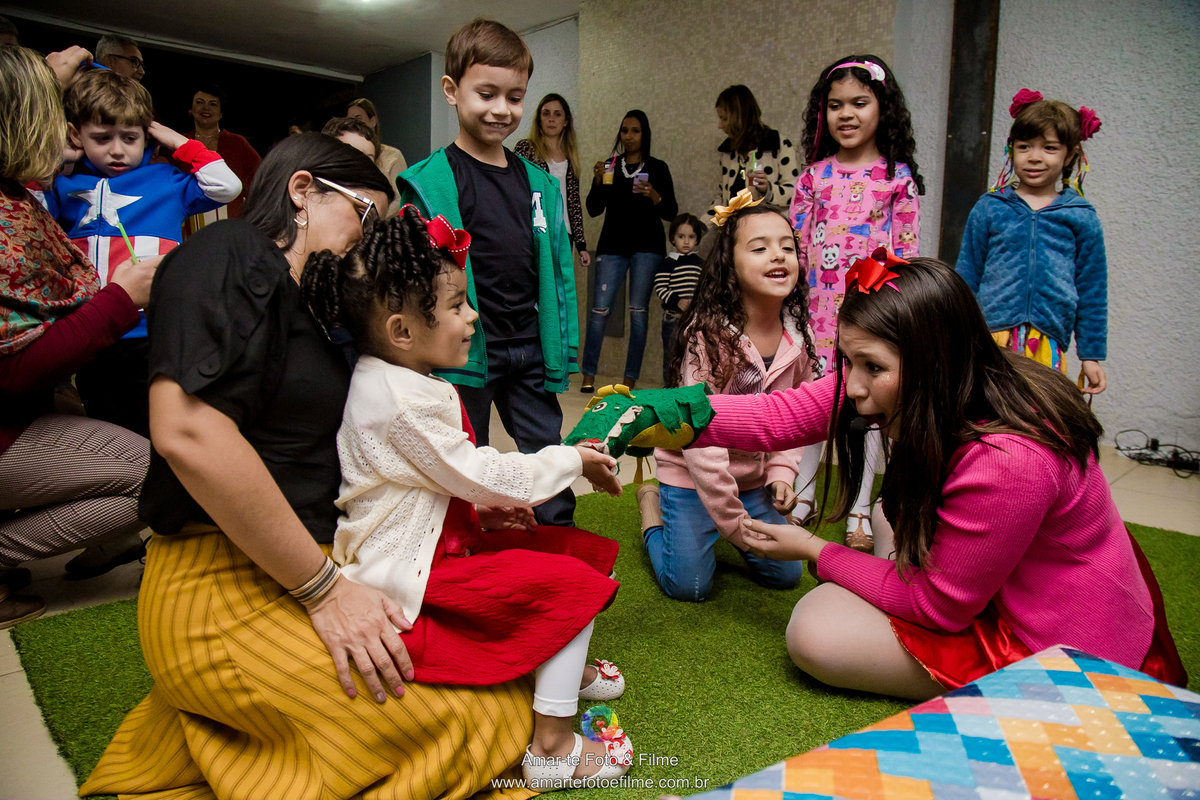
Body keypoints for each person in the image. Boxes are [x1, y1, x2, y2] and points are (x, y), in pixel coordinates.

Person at [79, 132, 561, 799]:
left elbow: (348, 450)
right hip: (219, 578)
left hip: (304, 565)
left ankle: (229, 728)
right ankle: (225, 708)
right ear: (303, 191)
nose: (369, 241)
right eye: (363, 216)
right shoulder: (231, 250)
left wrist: (466, 499)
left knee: (507, 675)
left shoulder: (319, 313)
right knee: (478, 720)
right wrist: (323, 591)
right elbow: (188, 431)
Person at [615, 253, 1187, 698]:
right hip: (1017, 587)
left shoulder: (1008, 459)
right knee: (891, 513)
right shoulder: (962, 376)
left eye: (872, 368)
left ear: (932, 357)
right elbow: (776, 415)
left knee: (814, 630)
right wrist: (656, 413)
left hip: (1063, 651)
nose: (853, 387)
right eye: (847, 362)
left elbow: (941, 608)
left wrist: (815, 549)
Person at [303, 205, 633, 784]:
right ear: (402, 331)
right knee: (570, 589)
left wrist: (479, 511)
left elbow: (423, 482)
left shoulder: (403, 379)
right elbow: (476, 470)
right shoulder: (397, 399)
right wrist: (570, 459)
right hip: (413, 573)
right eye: (457, 305)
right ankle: (553, 749)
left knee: (570, 551)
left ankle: (560, 666)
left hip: (440, 543)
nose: (474, 317)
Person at [397, 18, 581, 528]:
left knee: (551, 454)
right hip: (465, 351)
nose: (503, 109)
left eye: (515, 96)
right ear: (452, 91)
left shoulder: (538, 183)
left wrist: (562, 346)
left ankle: (560, 539)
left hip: (527, 345)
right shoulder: (431, 182)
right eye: (487, 93)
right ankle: (466, 544)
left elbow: (560, 273)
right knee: (462, 461)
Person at [0, 46, 161, 626]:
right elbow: (13, 369)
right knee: (151, 468)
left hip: (21, 407)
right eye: (51, 112)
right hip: (8, 414)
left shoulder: (18, 195)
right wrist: (121, 300)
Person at [45, 69, 241, 441]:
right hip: (93, 331)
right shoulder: (64, 185)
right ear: (76, 135)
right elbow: (33, 203)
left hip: (154, 331)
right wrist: (59, 155)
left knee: (162, 428)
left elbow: (227, 186)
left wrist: (175, 140)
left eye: (130, 138)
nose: (117, 150)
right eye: (101, 138)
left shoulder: (166, 181)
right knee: (109, 424)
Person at [638, 196, 816, 602]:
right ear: (729, 266)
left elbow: (796, 420)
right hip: (692, 477)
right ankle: (651, 508)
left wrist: (782, 475)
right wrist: (736, 526)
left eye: (787, 246)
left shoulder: (799, 340)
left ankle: (727, 526)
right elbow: (702, 442)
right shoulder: (707, 337)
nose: (778, 255)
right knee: (690, 586)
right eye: (760, 247)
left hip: (752, 482)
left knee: (785, 575)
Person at [789, 55, 924, 554]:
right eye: (835, 105)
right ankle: (802, 493)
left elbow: (906, 253)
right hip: (818, 317)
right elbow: (797, 249)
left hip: (872, 320)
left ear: (882, 108)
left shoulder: (897, 177)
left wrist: (896, 317)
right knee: (817, 402)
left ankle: (861, 506)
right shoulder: (813, 177)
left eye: (859, 103)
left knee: (868, 412)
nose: (846, 114)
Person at [956, 89, 1107, 394]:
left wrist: (1090, 355)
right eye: (1024, 146)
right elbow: (966, 274)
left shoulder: (1081, 217)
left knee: (1039, 414)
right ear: (1010, 150)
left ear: (1071, 155)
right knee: (987, 408)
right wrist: (954, 331)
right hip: (990, 336)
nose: (1035, 157)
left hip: (1047, 341)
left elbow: (1092, 289)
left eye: (1050, 148)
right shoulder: (990, 207)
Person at [583, 110, 678, 392]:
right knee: (599, 311)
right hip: (611, 246)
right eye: (625, 130)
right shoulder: (611, 166)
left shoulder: (658, 167)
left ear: (644, 134)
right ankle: (588, 375)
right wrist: (598, 180)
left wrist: (654, 195)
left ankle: (629, 380)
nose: (629, 136)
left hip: (647, 248)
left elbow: (671, 212)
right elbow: (593, 208)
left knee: (638, 312)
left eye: (635, 131)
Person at [700, 85, 798, 253]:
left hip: (769, 238)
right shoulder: (727, 153)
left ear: (738, 117)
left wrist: (768, 189)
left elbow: (796, 194)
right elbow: (723, 200)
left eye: (724, 119)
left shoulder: (777, 145)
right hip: (735, 237)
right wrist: (700, 225)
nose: (719, 125)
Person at [514, 93, 590, 266]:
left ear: (566, 121)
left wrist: (581, 244)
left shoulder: (571, 157)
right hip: (535, 229)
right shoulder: (526, 148)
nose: (551, 119)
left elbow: (574, 203)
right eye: (546, 113)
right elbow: (515, 188)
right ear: (539, 119)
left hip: (564, 232)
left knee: (559, 285)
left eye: (557, 114)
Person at [177, 83, 261, 221]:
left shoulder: (237, 143)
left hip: (230, 226)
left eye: (213, 104)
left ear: (221, 113)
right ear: (190, 109)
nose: (206, 108)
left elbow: (260, 179)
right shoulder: (180, 142)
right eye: (199, 102)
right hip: (190, 225)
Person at [652, 213, 704, 381]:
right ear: (673, 238)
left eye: (691, 237)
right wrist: (676, 301)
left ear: (697, 239)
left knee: (694, 357)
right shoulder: (668, 263)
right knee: (671, 357)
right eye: (681, 237)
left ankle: (688, 390)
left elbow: (704, 289)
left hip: (695, 320)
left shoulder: (700, 264)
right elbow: (660, 287)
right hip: (672, 320)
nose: (686, 242)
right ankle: (669, 391)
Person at [348, 97, 407, 216]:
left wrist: (375, 221)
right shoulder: (347, 157)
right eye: (349, 120)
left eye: (358, 119)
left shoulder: (393, 156)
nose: (353, 125)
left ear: (373, 121)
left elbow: (401, 197)